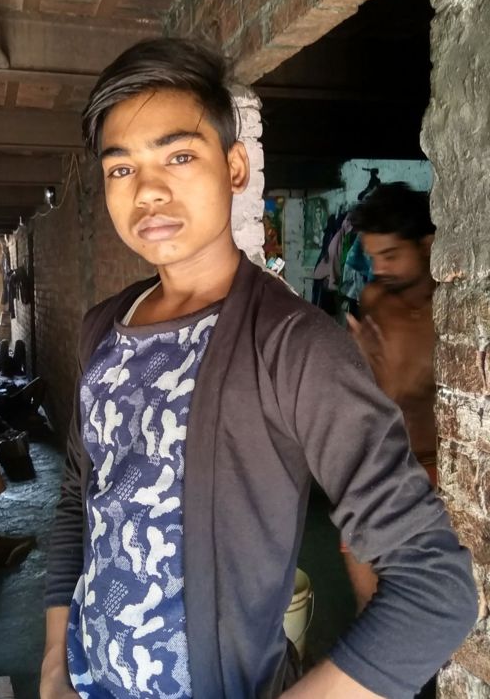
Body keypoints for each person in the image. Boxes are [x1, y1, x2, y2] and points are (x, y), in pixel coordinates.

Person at [40, 39, 477, 699]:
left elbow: (436, 588)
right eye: (121, 168)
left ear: (235, 166)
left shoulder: (294, 346)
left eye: (179, 156)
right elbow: (81, 493)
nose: (148, 191)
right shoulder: (103, 326)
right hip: (85, 677)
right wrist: (55, 663)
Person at [346, 183, 437, 612]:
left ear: (427, 245)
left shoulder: (454, 313)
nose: (379, 269)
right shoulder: (375, 300)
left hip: (438, 472)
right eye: (374, 257)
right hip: (382, 468)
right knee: (371, 605)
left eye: (391, 255)